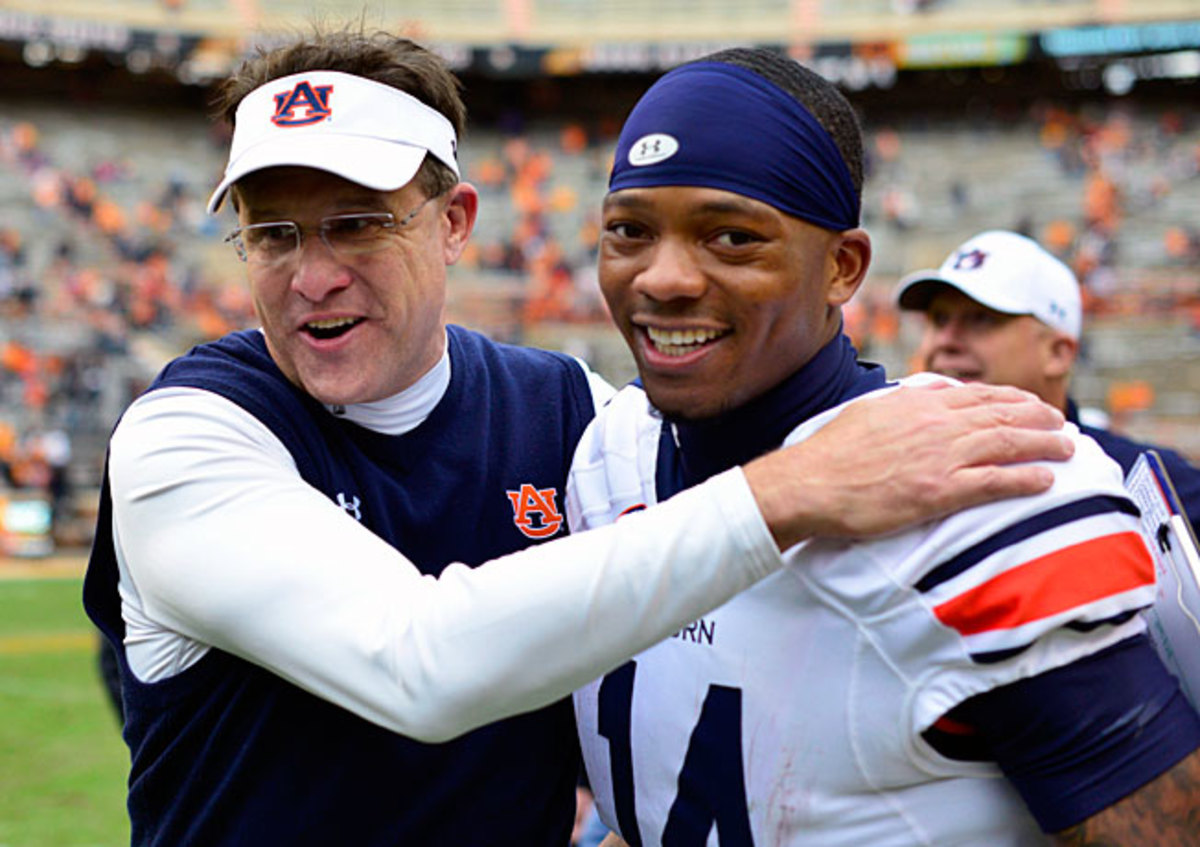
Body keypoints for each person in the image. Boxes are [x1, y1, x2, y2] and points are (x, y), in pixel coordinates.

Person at [83, 29, 1076, 846]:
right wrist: (794, 486)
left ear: (454, 222)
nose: (313, 275)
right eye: (273, 233)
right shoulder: (186, 438)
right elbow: (416, 662)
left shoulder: (566, 412)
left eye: (356, 224)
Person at [567, 48, 1200, 845]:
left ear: (842, 266)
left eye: (730, 236)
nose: (662, 277)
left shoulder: (987, 490)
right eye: (628, 230)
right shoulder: (604, 457)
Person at [895, 228, 1200, 531]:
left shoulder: (1157, 486)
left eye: (981, 319)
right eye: (939, 319)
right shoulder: (891, 467)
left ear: (1057, 353)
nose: (945, 340)